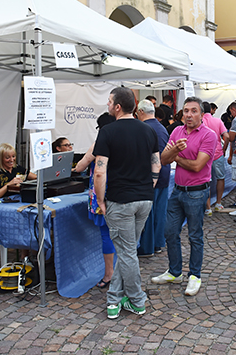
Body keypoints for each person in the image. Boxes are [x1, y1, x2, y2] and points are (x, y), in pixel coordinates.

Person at [93, 86, 161, 319]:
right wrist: (147, 186)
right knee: (127, 250)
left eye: (110, 102)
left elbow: (99, 172)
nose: (108, 105)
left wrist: (100, 200)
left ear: (118, 106)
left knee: (127, 252)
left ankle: (137, 300)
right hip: (144, 200)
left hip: (120, 200)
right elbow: (156, 165)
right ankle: (113, 300)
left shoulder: (108, 132)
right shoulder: (148, 130)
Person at [152, 97, 216, 297]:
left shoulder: (209, 135)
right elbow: (163, 160)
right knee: (169, 231)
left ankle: (194, 275)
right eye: (186, 111)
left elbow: (197, 166)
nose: (188, 115)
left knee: (195, 235)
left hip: (197, 192)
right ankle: (174, 271)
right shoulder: (177, 131)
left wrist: (177, 154)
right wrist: (173, 153)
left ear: (202, 114)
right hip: (178, 190)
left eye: (193, 111)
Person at [73, 112, 117, 289]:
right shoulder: (122, 142)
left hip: (103, 192)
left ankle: (109, 274)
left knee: (106, 234)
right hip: (121, 192)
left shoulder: (99, 144)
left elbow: (80, 166)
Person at [136, 99, 171, 257]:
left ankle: (147, 247)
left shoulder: (144, 128)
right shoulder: (162, 128)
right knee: (159, 211)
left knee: (148, 214)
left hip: (151, 175)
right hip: (163, 174)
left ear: (141, 112)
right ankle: (157, 243)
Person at [202, 101, 229, 214]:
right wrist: (224, 149)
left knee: (206, 180)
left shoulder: (200, 121)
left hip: (204, 154)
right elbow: (226, 136)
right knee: (220, 178)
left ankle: (208, 208)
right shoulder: (217, 121)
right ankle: (218, 203)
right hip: (217, 152)